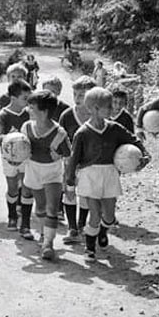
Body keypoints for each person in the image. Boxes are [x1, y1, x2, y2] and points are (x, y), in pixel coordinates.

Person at [66, 87, 149, 263]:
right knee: (94, 214)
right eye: (108, 106)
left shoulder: (114, 128)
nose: (112, 109)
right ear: (95, 108)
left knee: (109, 216)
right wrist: (70, 184)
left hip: (110, 174)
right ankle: (89, 248)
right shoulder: (82, 133)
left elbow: (133, 139)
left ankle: (103, 232)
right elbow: (73, 160)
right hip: (89, 176)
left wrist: (144, 154)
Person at [21, 91, 71, 259]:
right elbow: (20, 148)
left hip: (52, 172)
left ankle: (48, 244)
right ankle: (43, 234)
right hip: (34, 169)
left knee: (51, 207)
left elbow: (68, 153)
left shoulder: (59, 133)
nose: (28, 110)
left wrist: (60, 155)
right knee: (40, 207)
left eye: (32, 107)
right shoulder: (27, 128)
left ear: (43, 112)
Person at [58, 75, 96, 244]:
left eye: (82, 94)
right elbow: (59, 137)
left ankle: (82, 225)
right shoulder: (67, 115)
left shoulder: (98, 116)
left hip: (91, 164)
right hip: (70, 163)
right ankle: (72, 228)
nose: (77, 98)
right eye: (75, 94)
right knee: (69, 194)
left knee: (86, 196)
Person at [0, 79, 32, 232]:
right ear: (13, 98)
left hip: (26, 158)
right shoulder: (4, 114)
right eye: (25, 98)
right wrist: (9, 138)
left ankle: (25, 222)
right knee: (12, 187)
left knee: (26, 187)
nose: (28, 101)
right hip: (9, 158)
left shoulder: (29, 114)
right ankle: (12, 215)